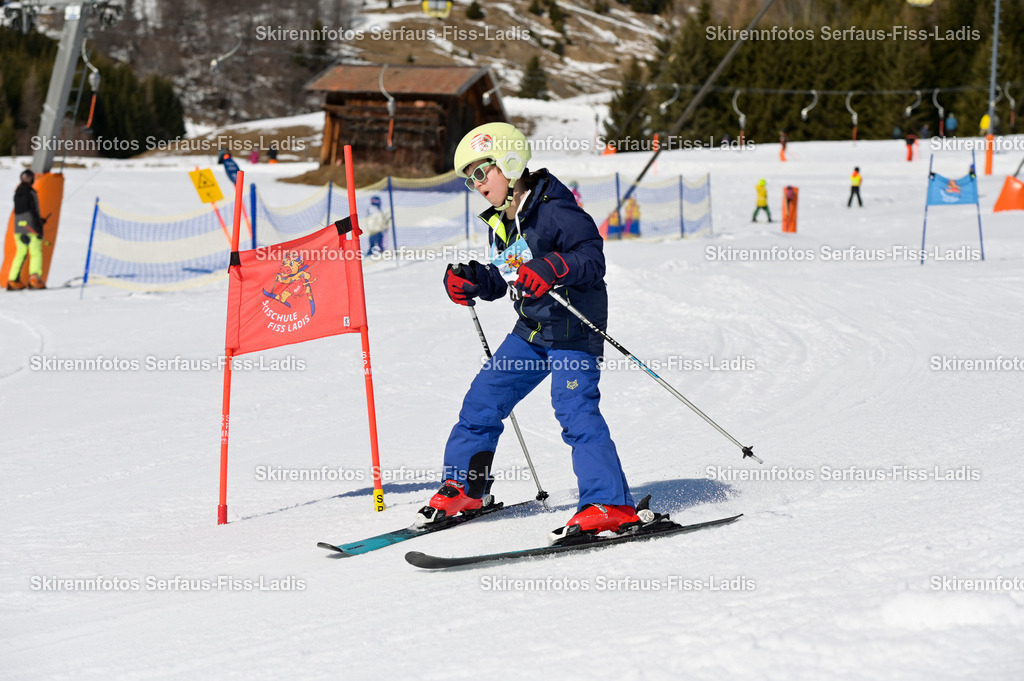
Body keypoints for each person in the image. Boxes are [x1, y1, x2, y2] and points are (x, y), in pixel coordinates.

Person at [422, 122, 638, 542]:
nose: (476, 185)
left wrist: (555, 266)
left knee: (574, 410)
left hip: (574, 327)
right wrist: (474, 280)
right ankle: (466, 490)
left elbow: (592, 258)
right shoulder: (503, 219)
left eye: (481, 173)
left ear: (509, 161)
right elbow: (507, 277)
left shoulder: (555, 208)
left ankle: (610, 504)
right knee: (483, 400)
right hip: (533, 331)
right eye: (469, 179)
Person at [6, 170, 46, 290]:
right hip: (31, 227)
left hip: (18, 228)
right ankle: (34, 279)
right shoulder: (31, 193)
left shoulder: (17, 193)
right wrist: (39, 226)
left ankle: (13, 280)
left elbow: (22, 210)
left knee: (20, 254)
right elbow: (33, 211)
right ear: (32, 179)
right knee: (36, 253)